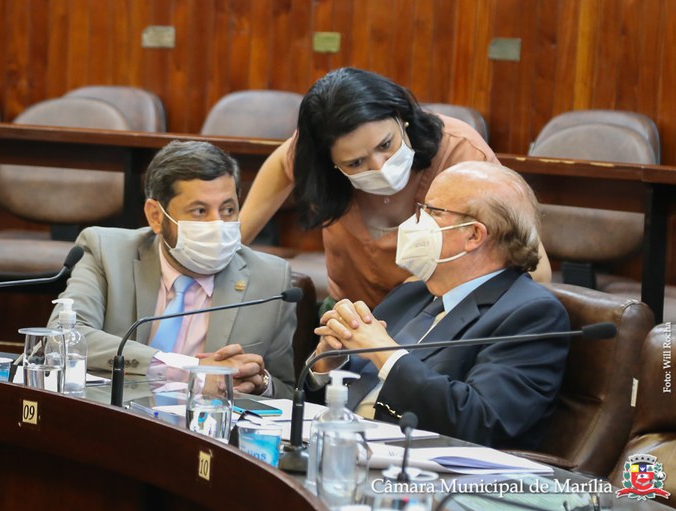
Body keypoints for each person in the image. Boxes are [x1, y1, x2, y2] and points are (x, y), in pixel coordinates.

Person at [240, 67, 551, 310]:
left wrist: (412, 297)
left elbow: (536, 270)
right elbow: (282, 162)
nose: (380, 167)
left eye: (386, 145)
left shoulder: (462, 152)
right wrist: (229, 248)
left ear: (402, 118)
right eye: (356, 163)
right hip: (349, 318)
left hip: (442, 321)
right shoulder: (315, 158)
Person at [310, 161, 569, 449]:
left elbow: (483, 421)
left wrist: (385, 352)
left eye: (433, 212)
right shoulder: (410, 294)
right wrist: (328, 362)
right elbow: (319, 405)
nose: (416, 221)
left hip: (419, 465)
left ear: (474, 235)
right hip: (335, 446)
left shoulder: (532, 313)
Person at [48, 141, 296, 398]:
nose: (218, 224)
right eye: (200, 211)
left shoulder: (272, 280)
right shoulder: (107, 251)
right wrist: (188, 370)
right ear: (156, 216)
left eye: (228, 210)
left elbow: (287, 391)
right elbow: (61, 337)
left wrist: (261, 383)